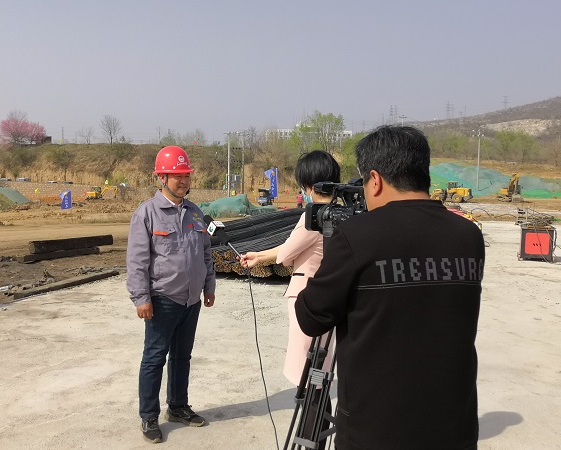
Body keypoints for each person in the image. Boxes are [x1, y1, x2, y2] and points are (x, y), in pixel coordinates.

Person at [295, 126, 484, 450]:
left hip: (375, 432)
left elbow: (311, 317)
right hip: (454, 429)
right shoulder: (469, 236)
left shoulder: (356, 236)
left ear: (375, 179)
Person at [239, 150, 340, 447]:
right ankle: (315, 436)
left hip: (307, 299)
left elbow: (286, 254)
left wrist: (266, 256)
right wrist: (259, 256)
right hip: (327, 297)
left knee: (310, 377)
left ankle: (310, 439)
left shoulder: (314, 216)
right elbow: (291, 247)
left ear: (308, 184)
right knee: (319, 373)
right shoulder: (338, 213)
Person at [126, 146, 216, 444]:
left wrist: (209, 286)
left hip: (191, 300)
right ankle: (149, 416)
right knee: (154, 358)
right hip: (162, 299)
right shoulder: (147, 213)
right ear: (161, 177)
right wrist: (141, 298)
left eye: (186, 175)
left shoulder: (195, 212)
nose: (183, 181)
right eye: (177, 176)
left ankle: (177, 406)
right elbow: (136, 261)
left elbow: (205, 253)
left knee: (182, 356)